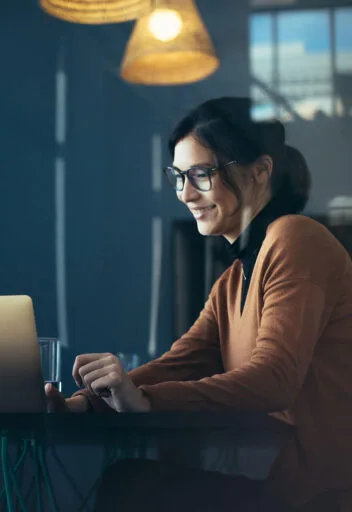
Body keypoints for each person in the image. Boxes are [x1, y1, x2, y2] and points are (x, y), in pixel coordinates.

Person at [46, 97, 352, 511]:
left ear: (261, 171)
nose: (186, 193)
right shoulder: (230, 282)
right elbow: (179, 363)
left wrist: (146, 401)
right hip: (284, 484)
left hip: (322, 493)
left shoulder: (296, 238)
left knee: (132, 486)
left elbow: (275, 378)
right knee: (130, 481)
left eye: (202, 174)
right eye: (178, 176)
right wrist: (86, 401)